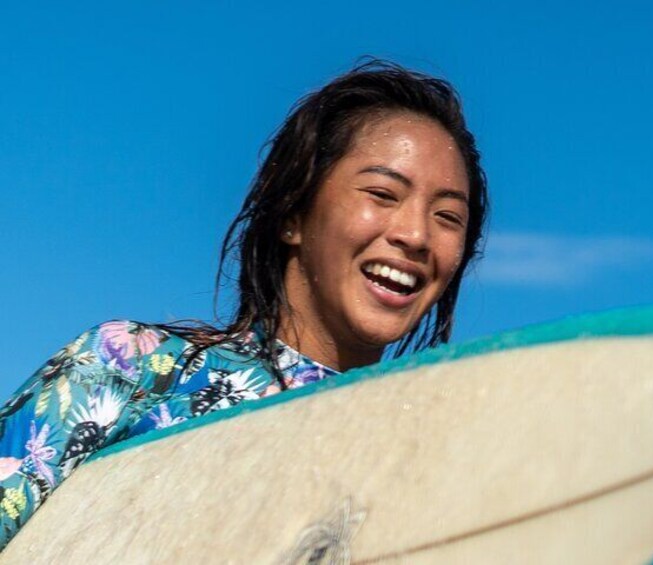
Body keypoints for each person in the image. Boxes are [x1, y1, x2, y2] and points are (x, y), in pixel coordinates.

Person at [0, 59, 488, 548]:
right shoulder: (133, 369)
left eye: (448, 217)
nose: (417, 235)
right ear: (293, 215)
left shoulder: (429, 452)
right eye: (383, 193)